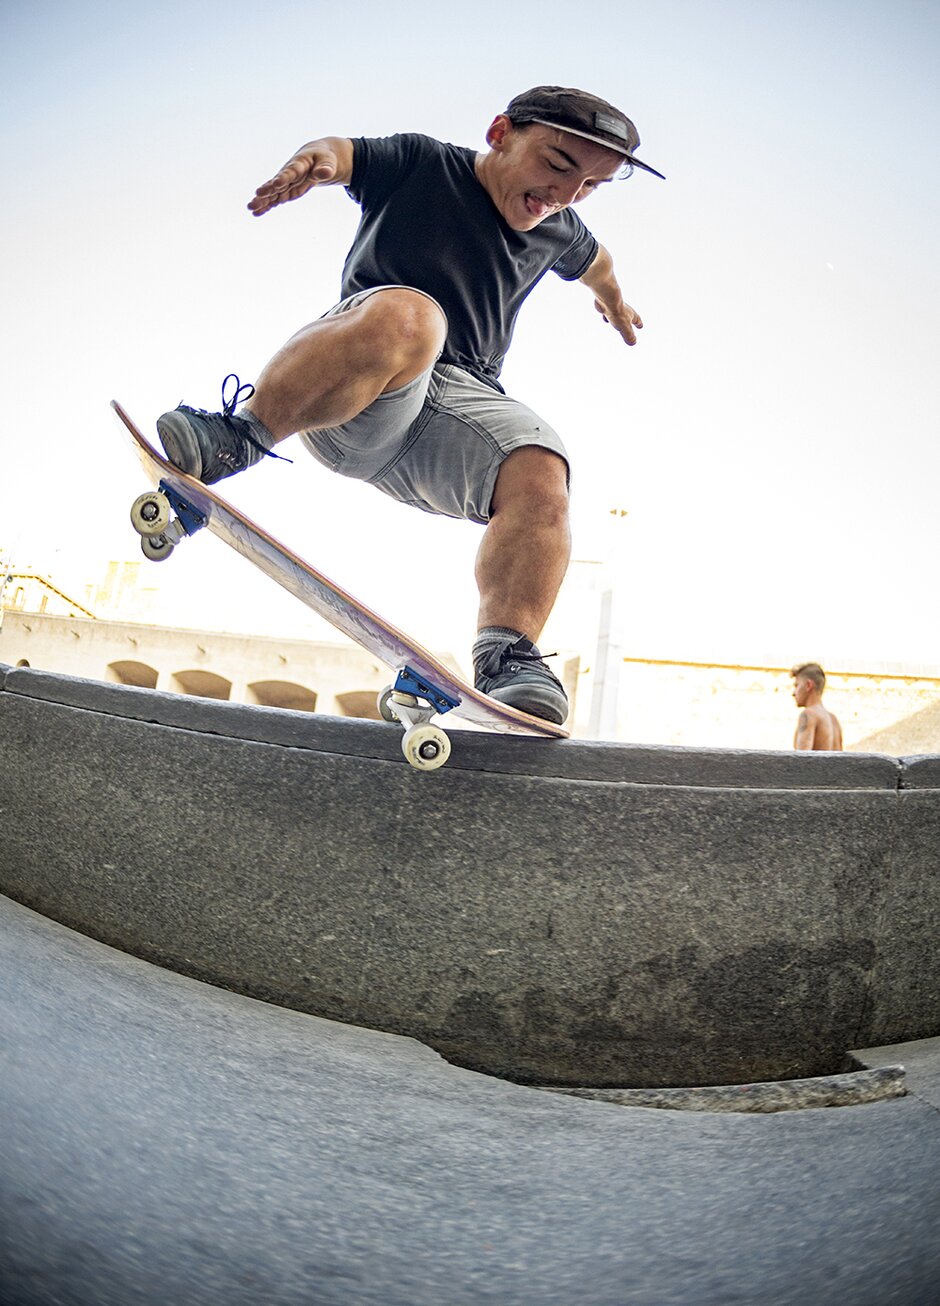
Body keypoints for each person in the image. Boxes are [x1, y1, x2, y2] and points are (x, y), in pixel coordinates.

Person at [155, 86, 664, 724]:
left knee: (541, 465)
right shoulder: (425, 164)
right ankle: (237, 436)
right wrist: (311, 163)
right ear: (501, 132)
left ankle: (508, 655)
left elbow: (599, 263)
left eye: (591, 185)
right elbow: (342, 153)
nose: (564, 194)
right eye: (558, 165)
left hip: (458, 408)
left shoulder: (561, 227)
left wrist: (613, 303)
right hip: (358, 389)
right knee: (413, 317)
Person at [790, 662, 843, 751]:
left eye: (797, 685)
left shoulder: (808, 714)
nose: (793, 693)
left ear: (808, 685)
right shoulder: (833, 719)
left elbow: (801, 759)